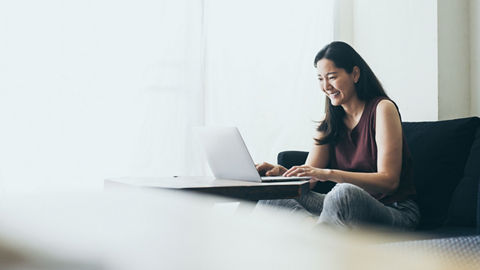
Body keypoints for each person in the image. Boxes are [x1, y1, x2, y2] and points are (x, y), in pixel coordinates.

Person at [256, 41, 420, 230]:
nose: (326, 86)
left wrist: (329, 174)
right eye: (320, 79)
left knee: (343, 194)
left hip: (395, 211)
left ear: (355, 74)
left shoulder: (382, 109)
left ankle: (312, 235)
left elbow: (389, 181)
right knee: (274, 195)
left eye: (332, 77)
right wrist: (280, 173)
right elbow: (308, 179)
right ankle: (316, 234)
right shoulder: (330, 122)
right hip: (345, 209)